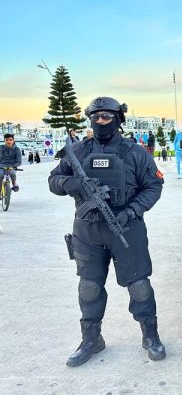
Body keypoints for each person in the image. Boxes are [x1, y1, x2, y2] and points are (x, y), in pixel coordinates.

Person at [48, 96, 166, 367]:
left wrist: (132, 211)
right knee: (89, 287)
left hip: (126, 228)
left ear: (118, 120)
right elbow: (53, 179)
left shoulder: (135, 152)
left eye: (107, 116)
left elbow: (154, 186)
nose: (101, 121)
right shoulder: (77, 151)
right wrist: (69, 183)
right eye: (96, 116)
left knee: (139, 286)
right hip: (87, 230)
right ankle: (91, 340)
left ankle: (150, 335)